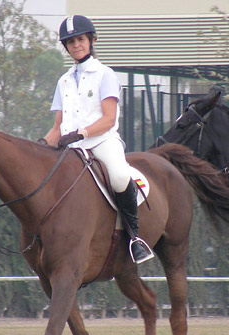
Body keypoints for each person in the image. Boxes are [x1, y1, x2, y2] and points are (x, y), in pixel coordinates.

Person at [40, 15, 154, 264]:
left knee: (120, 176)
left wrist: (81, 133)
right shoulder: (64, 81)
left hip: (101, 142)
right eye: (70, 42)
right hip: (70, 147)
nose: (76, 45)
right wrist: (40, 146)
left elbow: (109, 119)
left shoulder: (105, 75)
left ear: (91, 41)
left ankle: (135, 237)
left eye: (80, 39)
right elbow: (57, 127)